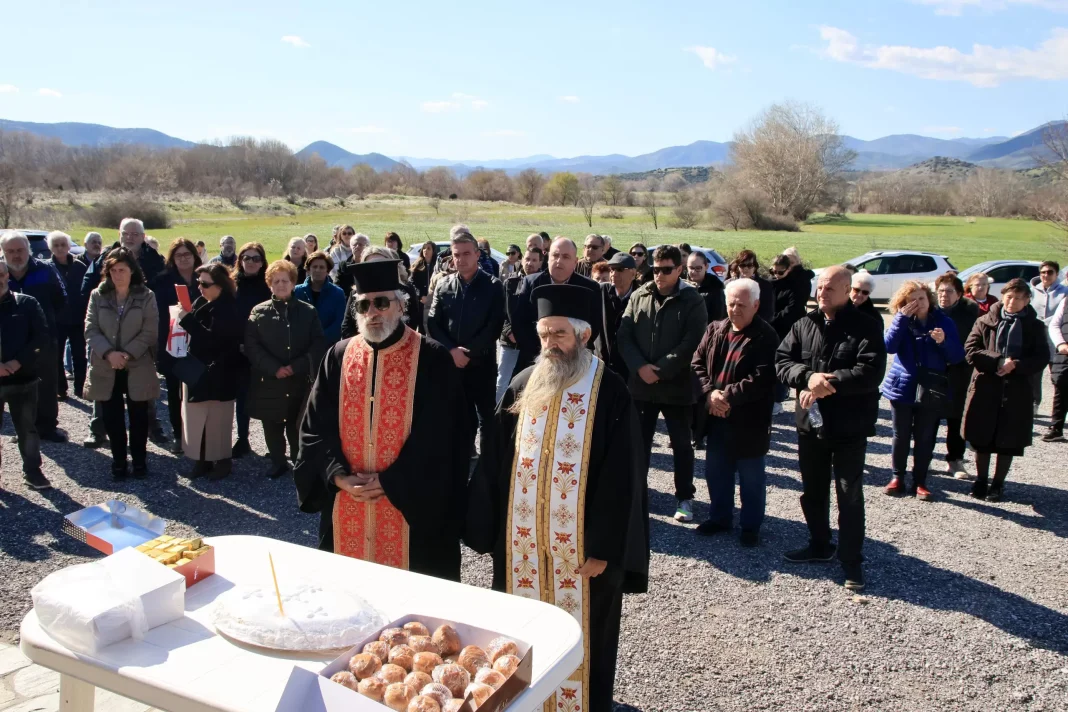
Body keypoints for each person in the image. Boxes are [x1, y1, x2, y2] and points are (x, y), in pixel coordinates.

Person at [465, 284, 648, 712]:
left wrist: (605, 549)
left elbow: (624, 479)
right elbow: (496, 461)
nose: (550, 345)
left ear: (584, 337)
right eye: (544, 334)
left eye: (559, 335)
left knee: (584, 640)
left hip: (582, 554)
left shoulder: (610, 391)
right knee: (520, 633)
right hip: (522, 548)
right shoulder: (524, 384)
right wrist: (490, 532)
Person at [295, 260, 471, 580]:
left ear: (401, 305)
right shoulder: (338, 356)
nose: (372, 311)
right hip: (348, 501)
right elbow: (313, 429)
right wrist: (337, 476)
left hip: (412, 508)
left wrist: (393, 482)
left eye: (381, 302)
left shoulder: (432, 358)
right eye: (363, 304)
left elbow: (445, 437)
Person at [776, 266, 886, 591]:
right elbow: (782, 361)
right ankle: (819, 544)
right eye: (820, 287)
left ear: (847, 290)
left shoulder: (866, 326)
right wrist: (806, 377)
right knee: (813, 490)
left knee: (849, 496)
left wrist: (829, 382)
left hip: (850, 426)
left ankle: (851, 561)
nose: (822, 293)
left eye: (829, 288)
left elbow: (870, 371)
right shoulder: (803, 324)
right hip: (810, 425)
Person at [617, 245, 708, 523]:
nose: (659, 275)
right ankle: (637, 494)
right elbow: (625, 335)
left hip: (676, 385)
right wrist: (640, 367)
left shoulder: (692, 300)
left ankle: (684, 498)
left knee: (681, 444)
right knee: (639, 443)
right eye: (655, 269)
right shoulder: (640, 294)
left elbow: (692, 341)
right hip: (641, 385)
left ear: (679, 270)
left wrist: (662, 369)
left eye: (666, 270)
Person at [690, 278, 778, 545]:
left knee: (751, 477)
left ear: (756, 305)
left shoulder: (766, 336)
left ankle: (750, 526)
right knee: (716, 472)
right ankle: (720, 518)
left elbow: (761, 378)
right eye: (731, 303)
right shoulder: (715, 329)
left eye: (741, 304)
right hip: (715, 416)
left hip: (748, 420)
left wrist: (725, 396)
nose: (735, 309)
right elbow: (697, 363)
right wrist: (709, 393)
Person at [81, 218, 167, 447]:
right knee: (103, 389)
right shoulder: (106, 255)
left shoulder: (154, 258)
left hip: (139, 331)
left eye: (135, 234)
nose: (130, 238)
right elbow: (89, 282)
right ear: (119, 234)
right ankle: (97, 429)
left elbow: (162, 287)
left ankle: (153, 428)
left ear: (143, 236)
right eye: (125, 233)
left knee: (143, 390)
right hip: (107, 330)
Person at [962, 279, 1050, 502]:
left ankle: (998, 484)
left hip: (1017, 389)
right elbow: (971, 350)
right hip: (986, 387)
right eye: (1009, 297)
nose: (1012, 302)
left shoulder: (1036, 326)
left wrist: (1015, 365)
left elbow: (1041, 358)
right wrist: (998, 361)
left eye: (1019, 298)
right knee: (982, 437)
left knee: (1008, 440)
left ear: (1027, 300)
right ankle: (981, 480)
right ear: (1002, 297)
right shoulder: (985, 321)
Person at [880, 280, 965, 501]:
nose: (918, 303)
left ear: (930, 299)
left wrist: (943, 341)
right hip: (903, 385)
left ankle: (920, 482)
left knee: (925, 436)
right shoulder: (902, 321)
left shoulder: (944, 322)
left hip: (931, 387)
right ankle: (897, 476)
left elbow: (957, 356)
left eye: (921, 298)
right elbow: (888, 346)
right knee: (901, 435)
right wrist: (900, 319)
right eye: (912, 300)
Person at [428, 229, 506, 457]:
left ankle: (488, 465)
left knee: (486, 417)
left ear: (477, 254)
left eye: (465, 253)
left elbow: (494, 326)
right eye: (456, 254)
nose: (460, 259)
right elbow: (433, 322)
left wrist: (468, 353)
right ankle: (462, 456)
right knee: (458, 416)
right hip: (452, 364)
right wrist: (452, 351)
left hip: (481, 364)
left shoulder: (492, 286)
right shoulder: (444, 285)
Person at [245, 260, 325, 479]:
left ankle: (300, 462)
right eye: (276, 281)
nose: (281, 285)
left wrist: (296, 366)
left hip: (298, 380)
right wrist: (275, 368)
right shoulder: (258, 312)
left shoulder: (308, 312)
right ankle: (278, 462)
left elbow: (318, 343)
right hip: (269, 381)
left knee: (296, 425)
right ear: (270, 284)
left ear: (293, 283)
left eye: (285, 280)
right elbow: (252, 346)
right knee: (271, 425)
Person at [84, 248, 159, 480]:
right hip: (106, 365)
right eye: (113, 270)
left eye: (122, 270)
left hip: (137, 364)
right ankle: (118, 461)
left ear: (132, 271)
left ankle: (139, 461)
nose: (118, 275)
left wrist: (126, 354)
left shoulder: (146, 296)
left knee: (138, 417)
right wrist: (109, 354)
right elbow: (90, 328)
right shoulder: (98, 295)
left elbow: (149, 331)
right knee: (112, 417)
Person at [175, 263, 242, 481]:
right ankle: (202, 459)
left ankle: (222, 460)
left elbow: (213, 340)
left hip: (219, 373)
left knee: (218, 419)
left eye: (205, 283)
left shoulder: (228, 308)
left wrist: (186, 320)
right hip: (199, 370)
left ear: (220, 286)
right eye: (198, 283)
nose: (200, 287)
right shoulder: (202, 302)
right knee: (197, 417)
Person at [1, 230, 67, 442]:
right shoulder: (1, 274)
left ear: (28, 249)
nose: (16, 255)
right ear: (3, 253)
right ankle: (24, 429)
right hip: (11, 346)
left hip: (44, 339)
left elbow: (60, 299)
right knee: (18, 388)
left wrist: (44, 323)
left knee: (47, 384)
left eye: (20, 250)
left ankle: (47, 427)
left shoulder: (46, 270)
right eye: (10, 251)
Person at [512, 237, 605, 374]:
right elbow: (519, 323)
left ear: (575, 261)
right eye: (555, 255)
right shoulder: (531, 283)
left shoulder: (590, 288)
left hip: (574, 360)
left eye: (565, 257)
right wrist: (546, 349)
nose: (559, 261)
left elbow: (593, 326)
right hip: (535, 358)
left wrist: (568, 348)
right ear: (548, 258)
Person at [0, 261, 50, 490]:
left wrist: (17, 361)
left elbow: (41, 338)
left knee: (27, 429)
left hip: (24, 380)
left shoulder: (27, 303)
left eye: (1, 274)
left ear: (7, 275)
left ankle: (33, 472)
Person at [154, 238, 203, 454]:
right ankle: (177, 434)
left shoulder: (204, 279)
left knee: (198, 391)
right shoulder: (162, 281)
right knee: (174, 392)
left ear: (195, 256)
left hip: (200, 345)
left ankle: (198, 435)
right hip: (172, 345)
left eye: (187, 254)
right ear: (172, 258)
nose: (183, 259)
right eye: (179, 255)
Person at [934, 274, 980, 476]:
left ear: (959, 294)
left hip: (959, 372)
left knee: (956, 419)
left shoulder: (970, 314)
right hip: (932, 372)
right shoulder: (928, 310)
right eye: (941, 291)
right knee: (927, 419)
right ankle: (922, 459)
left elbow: (973, 344)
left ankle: (955, 460)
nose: (944, 295)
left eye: (949, 291)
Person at [231, 242, 271, 458]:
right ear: (240, 260)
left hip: (263, 348)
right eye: (247, 257)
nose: (251, 262)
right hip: (238, 348)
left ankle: (272, 444)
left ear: (262, 262)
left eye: (256, 258)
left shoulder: (268, 285)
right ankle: (243, 438)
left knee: (266, 396)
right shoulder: (232, 284)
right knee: (242, 395)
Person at [341, 247, 423, 339]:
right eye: (370, 265)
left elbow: (414, 319)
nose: (376, 269)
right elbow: (347, 327)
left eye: (381, 264)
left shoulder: (406, 289)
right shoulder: (356, 294)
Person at [497, 248, 544, 403]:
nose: (529, 263)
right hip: (510, 342)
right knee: (503, 382)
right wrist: (509, 330)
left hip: (532, 344)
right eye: (527, 259)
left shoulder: (543, 285)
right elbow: (500, 312)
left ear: (541, 263)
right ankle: (499, 418)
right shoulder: (510, 283)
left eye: (534, 260)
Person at [45, 231, 88, 401]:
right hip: (57, 320)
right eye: (56, 245)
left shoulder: (80, 266)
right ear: (50, 248)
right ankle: (60, 389)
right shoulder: (47, 267)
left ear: (69, 246)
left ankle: (80, 388)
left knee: (80, 355)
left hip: (78, 318)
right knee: (56, 356)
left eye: (63, 244)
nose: (60, 248)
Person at [1030, 260, 1067, 414]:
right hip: (1036, 340)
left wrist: (1045, 322)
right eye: (1043, 272)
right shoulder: (1032, 291)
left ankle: (1058, 409)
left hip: (1056, 340)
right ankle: (1034, 404)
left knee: (1058, 377)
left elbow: (1062, 316)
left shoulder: (1065, 292)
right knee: (1034, 375)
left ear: (1056, 274)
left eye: (1050, 272)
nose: (1046, 275)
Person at [596, 252, 636, 382]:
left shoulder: (642, 296)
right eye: (611, 269)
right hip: (602, 363)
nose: (614, 273)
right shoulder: (600, 291)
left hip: (630, 368)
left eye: (619, 269)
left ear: (633, 273)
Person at [294, 251, 346, 345]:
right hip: (300, 346)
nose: (318, 270)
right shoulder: (297, 292)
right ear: (308, 269)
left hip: (327, 346)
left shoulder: (338, 293)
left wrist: (319, 339)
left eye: (322, 267)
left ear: (327, 271)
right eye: (314, 267)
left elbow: (339, 322)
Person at [726, 249, 774, 323]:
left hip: (756, 329)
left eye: (749, 265)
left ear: (755, 267)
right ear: (738, 267)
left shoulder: (765, 286)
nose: (746, 268)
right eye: (742, 265)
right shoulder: (728, 285)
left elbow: (768, 314)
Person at [1046, 297, 1068, 442]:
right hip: (1065, 352)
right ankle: (1056, 428)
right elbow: (1054, 325)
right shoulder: (1066, 301)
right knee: (1061, 387)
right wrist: (1060, 344)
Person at [687, 251, 726, 323]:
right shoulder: (682, 285)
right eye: (691, 268)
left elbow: (717, 317)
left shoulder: (715, 288)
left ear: (706, 267)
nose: (694, 272)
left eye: (698, 268)